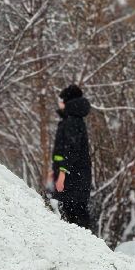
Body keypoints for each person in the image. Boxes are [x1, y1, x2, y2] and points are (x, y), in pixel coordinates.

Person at [49, 84, 95, 232]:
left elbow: (71, 150)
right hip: (74, 175)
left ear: (67, 101)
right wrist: (55, 169)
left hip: (73, 177)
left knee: (75, 214)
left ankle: (87, 248)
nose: (59, 103)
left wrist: (62, 173)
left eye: (61, 99)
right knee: (74, 213)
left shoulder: (72, 121)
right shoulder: (73, 120)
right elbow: (61, 151)